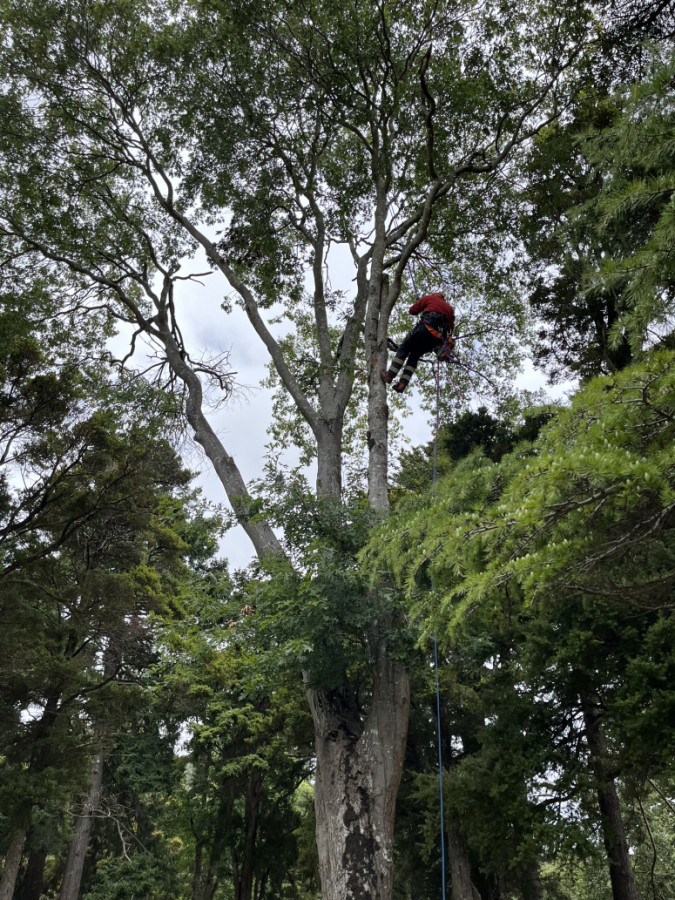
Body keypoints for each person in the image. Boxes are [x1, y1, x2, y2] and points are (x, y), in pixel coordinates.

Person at [381, 292, 455, 392]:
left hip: (425, 329)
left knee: (404, 348)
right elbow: (451, 328)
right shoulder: (449, 309)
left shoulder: (430, 298)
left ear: (434, 295)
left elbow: (412, 310)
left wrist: (421, 304)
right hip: (436, 340)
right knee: (414, 357)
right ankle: (402, 384)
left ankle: (390, 375)